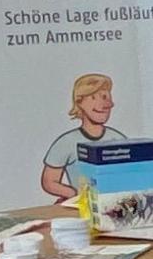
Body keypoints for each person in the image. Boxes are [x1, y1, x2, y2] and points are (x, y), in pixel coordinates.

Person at [38, 73, 114, 202]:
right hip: (82, 206)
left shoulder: (117, 139)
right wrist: (74, 194)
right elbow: (49, 182)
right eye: (94, 98)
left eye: (106, 98)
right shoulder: (66, 142)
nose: (107, 104)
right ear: (80, 102)